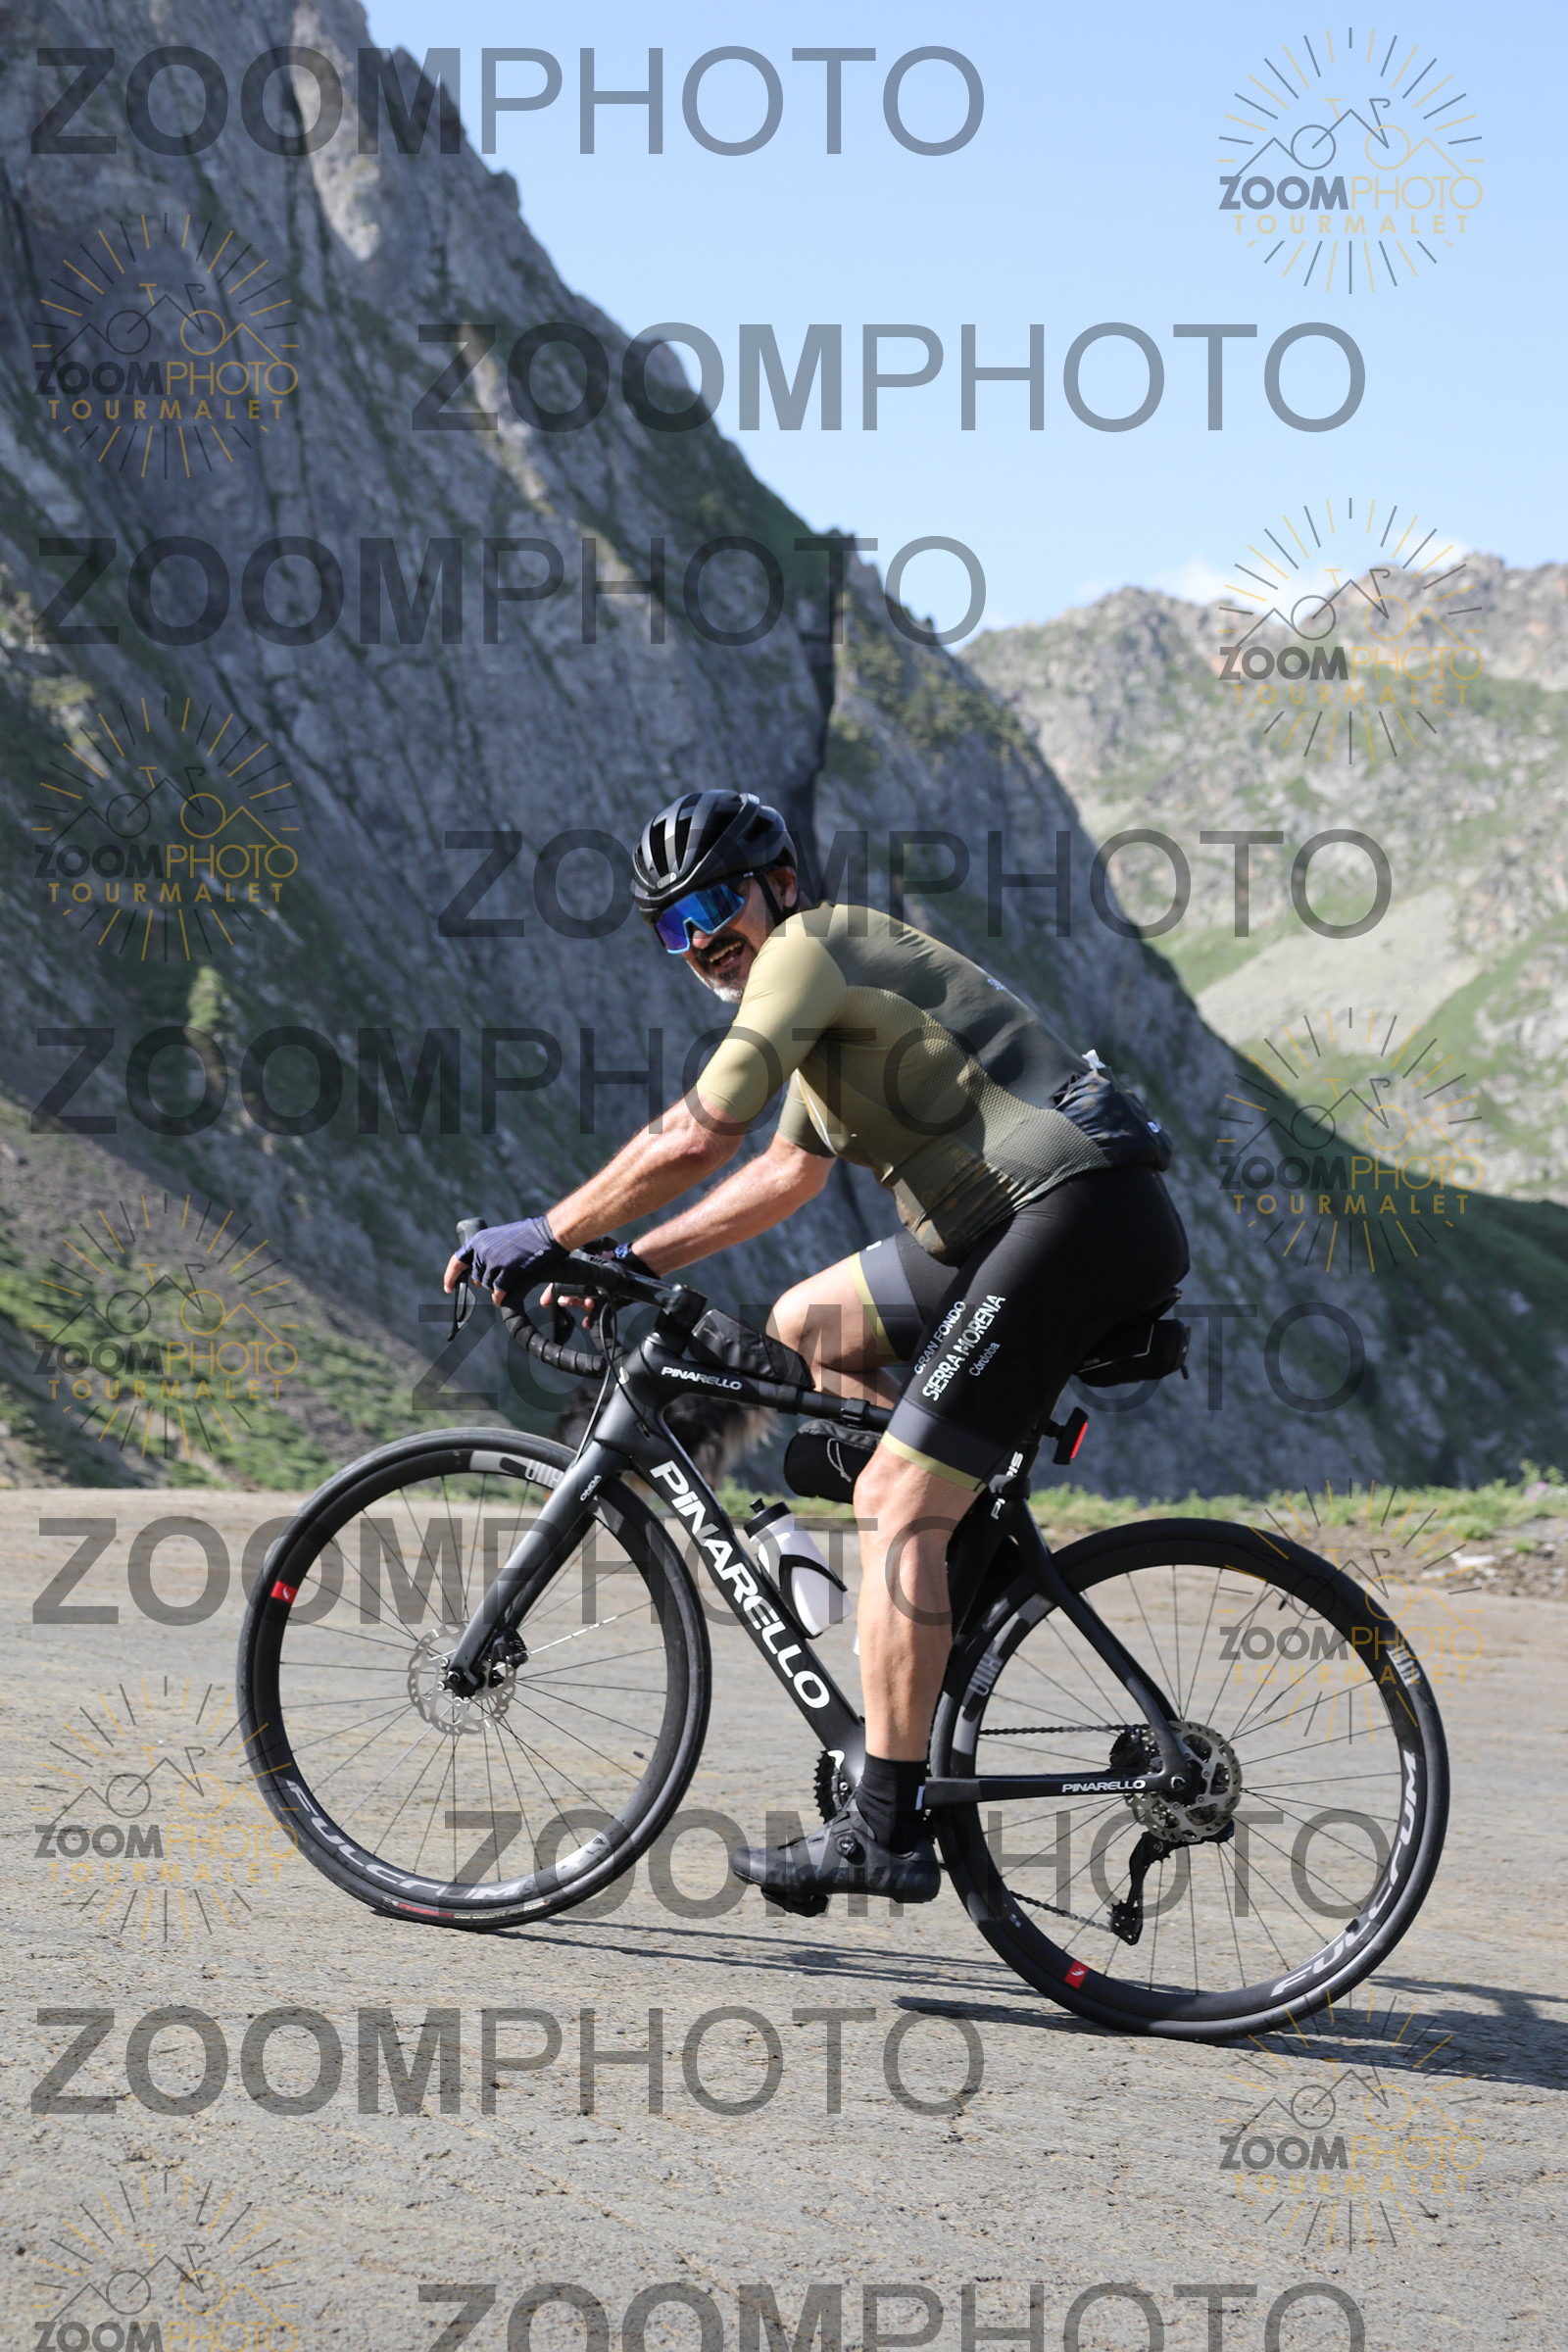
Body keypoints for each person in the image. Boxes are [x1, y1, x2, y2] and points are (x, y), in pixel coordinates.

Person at [445, 790, 1190, 1909]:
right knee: (805, 1326)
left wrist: (550, 1233)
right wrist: (628, 1259)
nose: (699, 940)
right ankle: (953, 1558)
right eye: (671, 925)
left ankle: (884, 1833)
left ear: (780, 886)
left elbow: (700, 1134)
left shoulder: (808, 948)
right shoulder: (815, 1005)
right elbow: (782, 1177)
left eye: (712, 906)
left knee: (893, 1496)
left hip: (1065, 1210)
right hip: (1014, 1220)